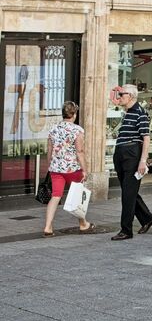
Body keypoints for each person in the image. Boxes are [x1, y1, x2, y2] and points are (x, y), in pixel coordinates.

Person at [110, 83, 152, 240]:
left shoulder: (140, 113)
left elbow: (146, 137)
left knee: (128, 194)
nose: (119, 97)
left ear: (130, 96)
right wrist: (115, 95)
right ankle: (147, 218)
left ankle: (126, 230)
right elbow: (115, 101)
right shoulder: (127, 111)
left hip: (132, 153)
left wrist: (143, 161)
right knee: (128, 190)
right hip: (121, 152)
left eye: (122, 94)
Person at [44, 101, 95, 237]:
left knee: (55, 196)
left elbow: (49, 150)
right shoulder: (77, 130)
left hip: (56, 169)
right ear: (74, 114)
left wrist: (50, 165)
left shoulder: (53, 129)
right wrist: (85, 169)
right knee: (77, 197)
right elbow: (80, 151)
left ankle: (48, 227)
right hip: (73, 169)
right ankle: (83, 223)